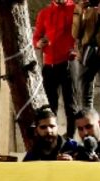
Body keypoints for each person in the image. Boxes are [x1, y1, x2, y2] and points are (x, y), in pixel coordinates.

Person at [31, 0, 79, 137]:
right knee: (50, 106)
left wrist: (76, 49)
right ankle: (52, 137)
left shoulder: (76, 9)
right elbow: (36, 38)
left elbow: (82, 32)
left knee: (71, 104)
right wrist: (39, 43)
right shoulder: (44, 13)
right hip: (49, 65)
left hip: (68, 62)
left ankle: (71, 137)